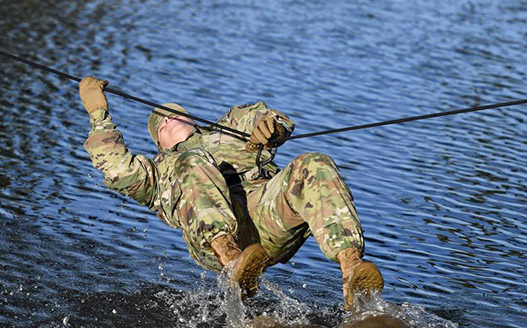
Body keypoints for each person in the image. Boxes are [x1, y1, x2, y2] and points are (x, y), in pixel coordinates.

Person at [79, 76, 384, 308]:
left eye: (176, 114)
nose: (170, 119)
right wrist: (98, 113)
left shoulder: (227, 131)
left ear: (194, 123)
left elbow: (265, 117)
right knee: (193, 161)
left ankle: (351, 271)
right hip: (215, 241)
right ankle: (235, 263)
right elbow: (117, 169)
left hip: (266, 217)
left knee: (314, 163)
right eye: (162, 123)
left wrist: (270, 127)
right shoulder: (159, 171)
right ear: (160, 143)